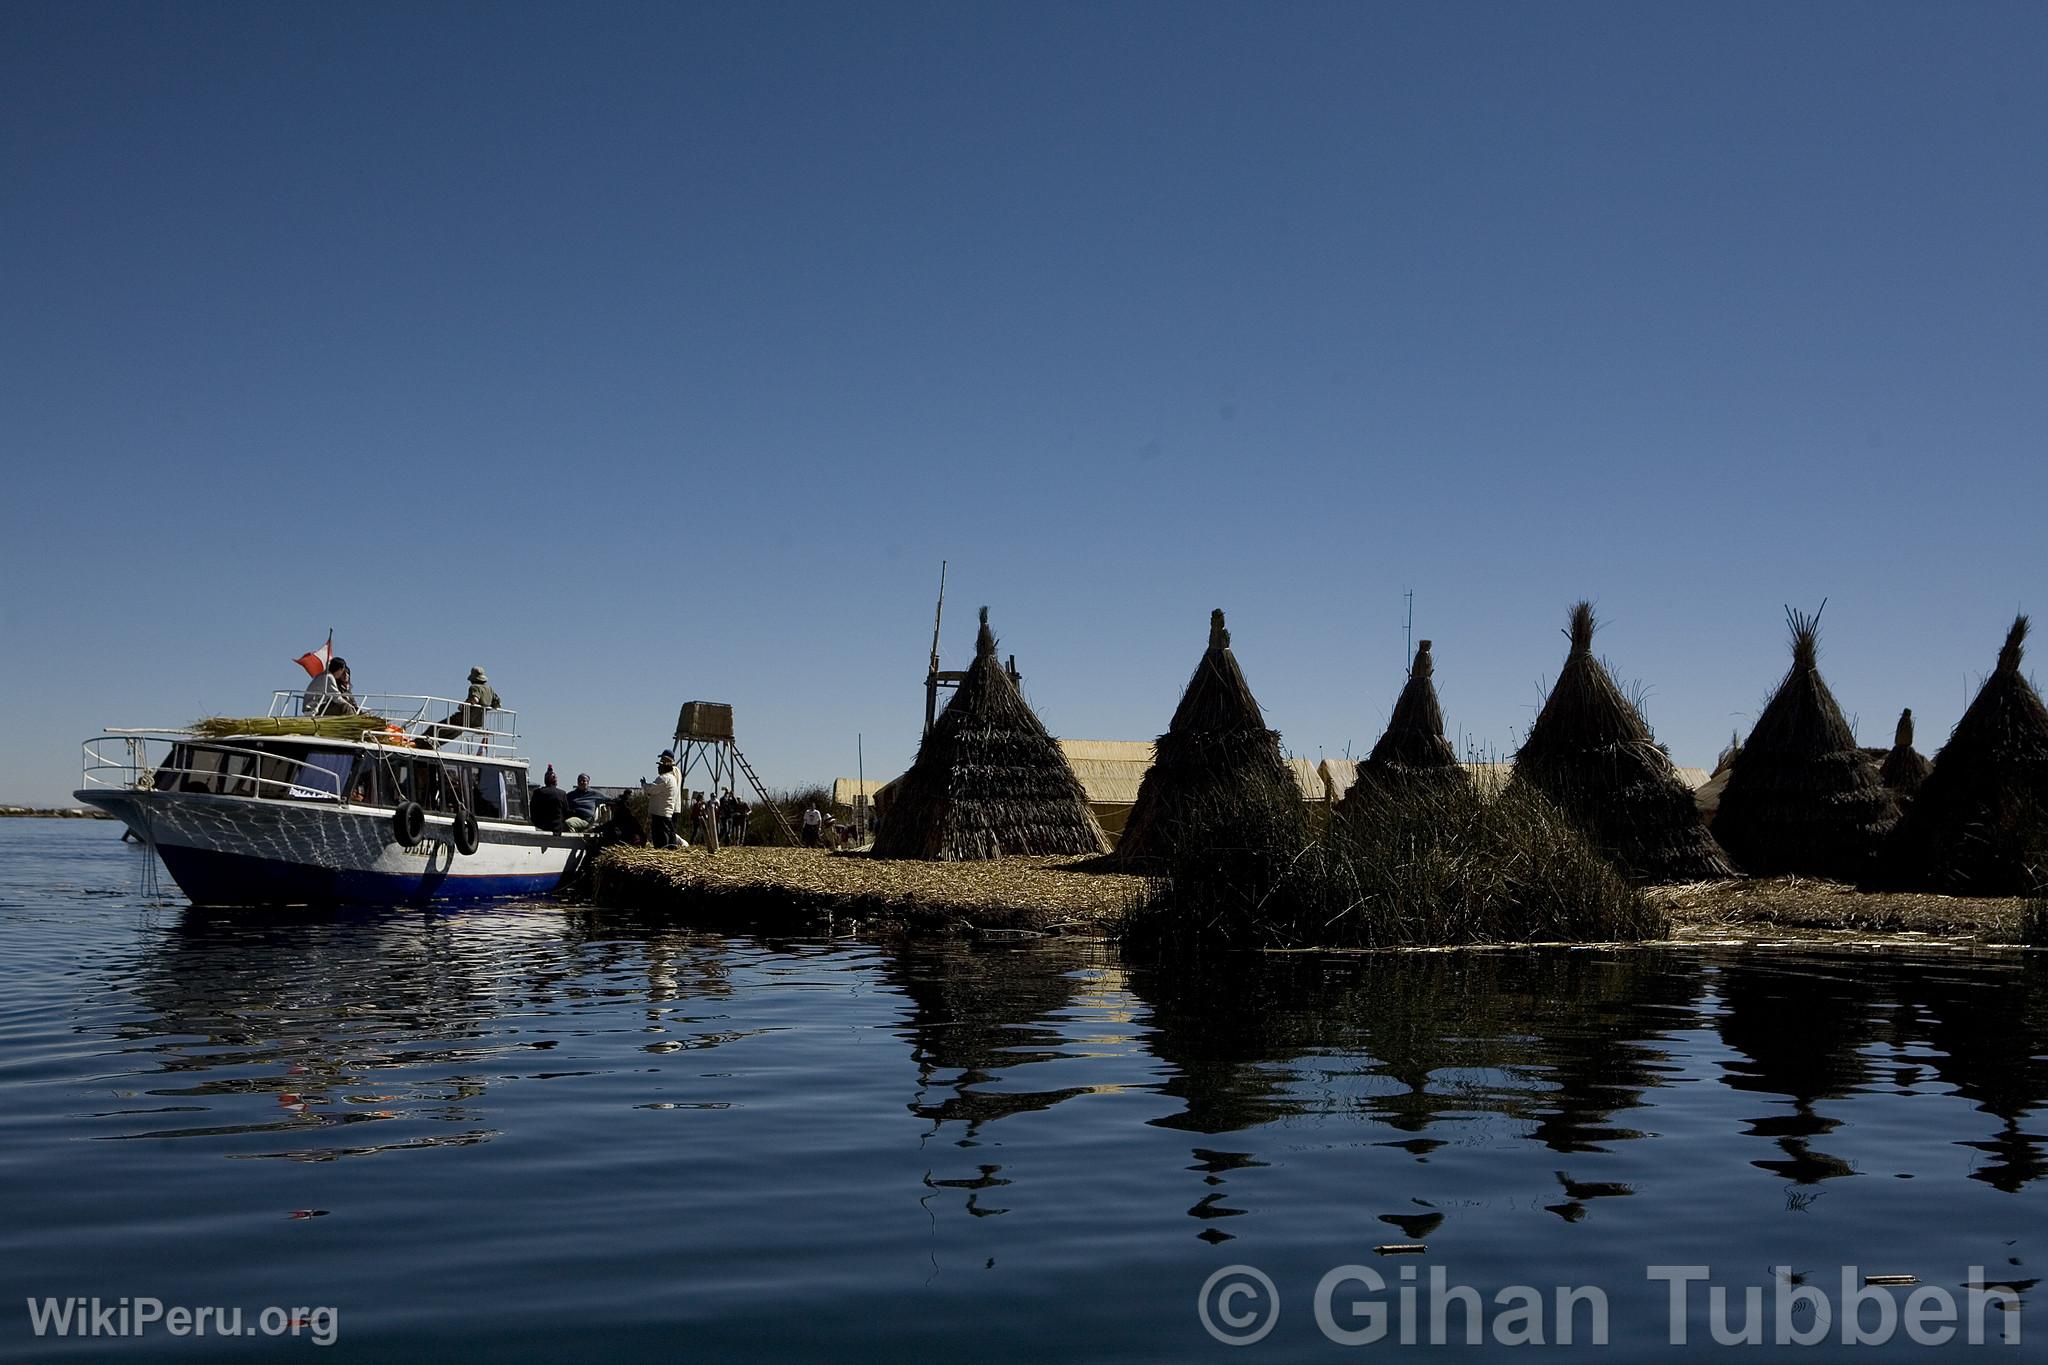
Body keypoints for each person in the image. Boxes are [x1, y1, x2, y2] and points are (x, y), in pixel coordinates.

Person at [646, 751, 683, 849]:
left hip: (666, 809)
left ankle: (668, 849)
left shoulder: (667, 776)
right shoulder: (674, 774)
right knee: (670, 832)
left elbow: (653, 789)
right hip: (671, 807)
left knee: (662, 836)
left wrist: (645, 785)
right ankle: (671, 849)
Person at [531, 767, 570, 834]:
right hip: (557, 828)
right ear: (555, 781)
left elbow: (532, 811)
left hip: (540, 827)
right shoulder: (562, 793)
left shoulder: (537, 792)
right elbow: (566, 812)